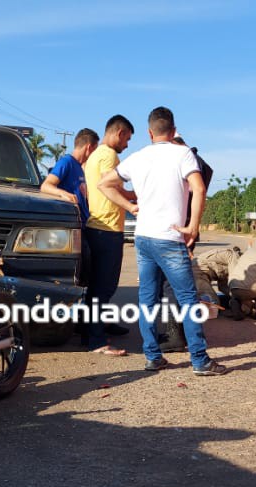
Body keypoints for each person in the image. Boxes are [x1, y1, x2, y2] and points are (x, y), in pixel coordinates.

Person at [97, 106, 228, 376]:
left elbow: (103, 184)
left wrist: (130, 205)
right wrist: (192, 226)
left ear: (149, 132)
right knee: (188, 300)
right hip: (170, 238)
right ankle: (200, 361)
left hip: (144, 238)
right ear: (173, 129)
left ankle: (153, 357)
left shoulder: (137, 157)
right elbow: (199, 187)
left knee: (147, 300)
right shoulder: (183, 154)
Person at [83, 115, 136, 355]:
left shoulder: (95, 154)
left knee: (97, 287)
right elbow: (107, 185)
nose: (127, 145)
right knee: (103, 288)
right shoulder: (108, 155)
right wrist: (131, 206)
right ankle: (96, 341)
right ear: (120, 132)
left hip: (98, 227)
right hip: (106, 228)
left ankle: (93, 329)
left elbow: (111, 188)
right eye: (127, 139)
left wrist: (133, 195)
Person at [40, 128, 98, 224]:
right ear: (89, 148)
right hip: (71, 223)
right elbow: (45, 186)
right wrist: (64, 194)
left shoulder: (80, 167)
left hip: (83, 224)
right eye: (94, 150)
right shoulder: (66, 162)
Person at [171, 133, 214, 254]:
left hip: (184, 221)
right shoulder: (198, 161)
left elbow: (197, 190)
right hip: (187, 220)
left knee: (182, 259)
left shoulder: (191, 161)